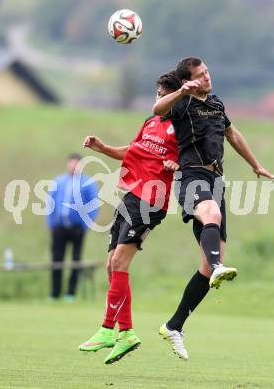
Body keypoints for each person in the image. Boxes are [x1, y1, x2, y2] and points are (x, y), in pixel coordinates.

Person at [153, 57, 274, 360]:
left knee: (208, 267)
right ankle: (218, 267)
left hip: (214, 178)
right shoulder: (181, 104)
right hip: (191, 174)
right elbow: (157, 110)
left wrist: (256, 165)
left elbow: (232, 135)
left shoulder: (217, 103)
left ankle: (174, 325)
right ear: (188, 80)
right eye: (200, 75)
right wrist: (182, 92)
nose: (207, 77)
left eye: (207, 72)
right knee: (212, 216)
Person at [78, 71, 181, 364]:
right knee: (111, 264)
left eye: (164, 95)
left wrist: (179, 163)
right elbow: (132, 151)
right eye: (157, 94)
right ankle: (126, 333)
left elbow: (194, 156)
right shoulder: (151, 122)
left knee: (120, 262)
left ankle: (108, 329)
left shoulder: (182, 127)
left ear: (176, 97)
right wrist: (103, 148)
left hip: (151, 200)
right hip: (131, 196)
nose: (158, 99)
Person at [47, 153, 99, 301]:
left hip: (77, 227)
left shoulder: (87, 183)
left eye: (77, 163)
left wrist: (85, 224)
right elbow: (50, 204)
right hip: (59, 227)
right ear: (67, 164)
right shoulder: (59, 181)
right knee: (57, 259)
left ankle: (71, 293)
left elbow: (93, 205)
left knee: (76, 259)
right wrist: (51, 224)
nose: (74, 166)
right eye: (71, 163)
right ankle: (54, 293)